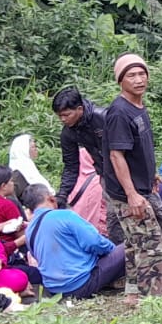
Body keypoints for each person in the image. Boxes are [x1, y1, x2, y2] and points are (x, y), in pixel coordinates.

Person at [105, 53, 162, 303]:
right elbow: (116, 156)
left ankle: (133, 297)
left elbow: (136, 149)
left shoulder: (137, 107)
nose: (138, 79)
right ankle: (154, 303)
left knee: (136, 246)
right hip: (128, 194)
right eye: (131, 75)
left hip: (139, 188)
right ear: (120, 81)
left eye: (141, 73)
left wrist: (149, 175)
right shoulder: (119, 112)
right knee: (154, 249)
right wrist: (132, 194)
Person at [20, 184, 127, 299]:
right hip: (80, 284)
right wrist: (113, 254)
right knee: (131, 245)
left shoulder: (29, 230)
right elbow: (95, 242)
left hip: (54, 290)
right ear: (51, 198)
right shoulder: (64, 215)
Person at [52, 87, 119, 239]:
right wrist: (62, 195)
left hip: (128, 171)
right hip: (106, 176)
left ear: (80, 109)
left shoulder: (103, 117)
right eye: (59, 116)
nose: (63, 119)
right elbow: (71, 166)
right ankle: (122, 256)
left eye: (66, 115)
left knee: (149, 209)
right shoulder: (68, 133)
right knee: (113, 219)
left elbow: (132, 146)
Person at [8, 134, 50, 199]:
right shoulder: (18, 174)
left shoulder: (29, 168)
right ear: (24, 150)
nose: (36, 150)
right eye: (33, 147)